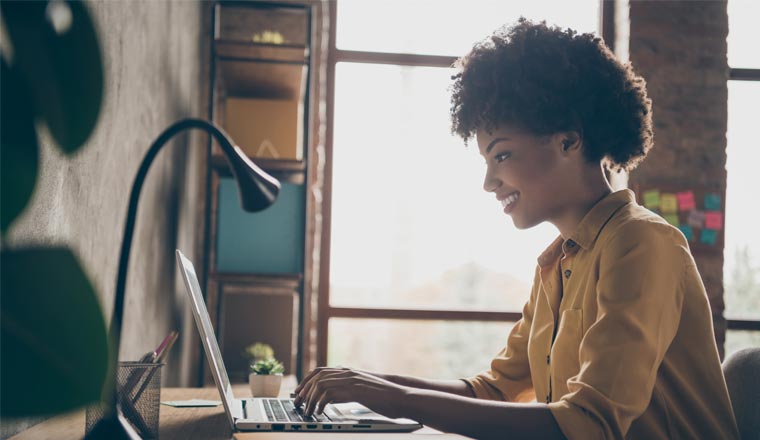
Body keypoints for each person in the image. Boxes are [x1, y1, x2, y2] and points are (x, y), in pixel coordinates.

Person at [294, 18, 739, 439]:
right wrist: (369, 385)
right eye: (487, 161)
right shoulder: (558, 262)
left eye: (502, 156)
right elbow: (492, 389)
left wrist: (398, 398)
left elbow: (590, 425)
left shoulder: (641, 243)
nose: (489, 182)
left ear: (569, 141)